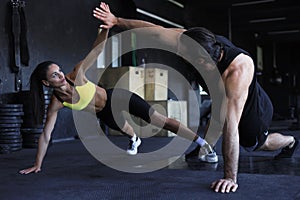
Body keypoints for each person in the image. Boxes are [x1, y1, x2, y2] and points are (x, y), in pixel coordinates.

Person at [94, 2, 299, 193]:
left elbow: (230, 125)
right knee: (215, 115)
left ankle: (290, 142)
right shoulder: (190, 42)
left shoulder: (237, 70)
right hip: (223, 95)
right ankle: (204, 149)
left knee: (254, 144)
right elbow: (155, 32)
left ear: (204, 61)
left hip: (252, 108)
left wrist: (230, 177)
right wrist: (116, 21)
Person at [19, 10, 217, 175]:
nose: (60, 75)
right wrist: (38, 164)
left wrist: (106, 28)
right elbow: (46, 135)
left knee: (158, 120)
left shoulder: (76, 74)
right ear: (46, 83)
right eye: (54, 75)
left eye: (59, 70)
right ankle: (134, 139)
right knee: (128, 132)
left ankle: (203, 144)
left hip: (118, 97)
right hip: (104, 114)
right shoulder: (56, 103)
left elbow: (96, 51)